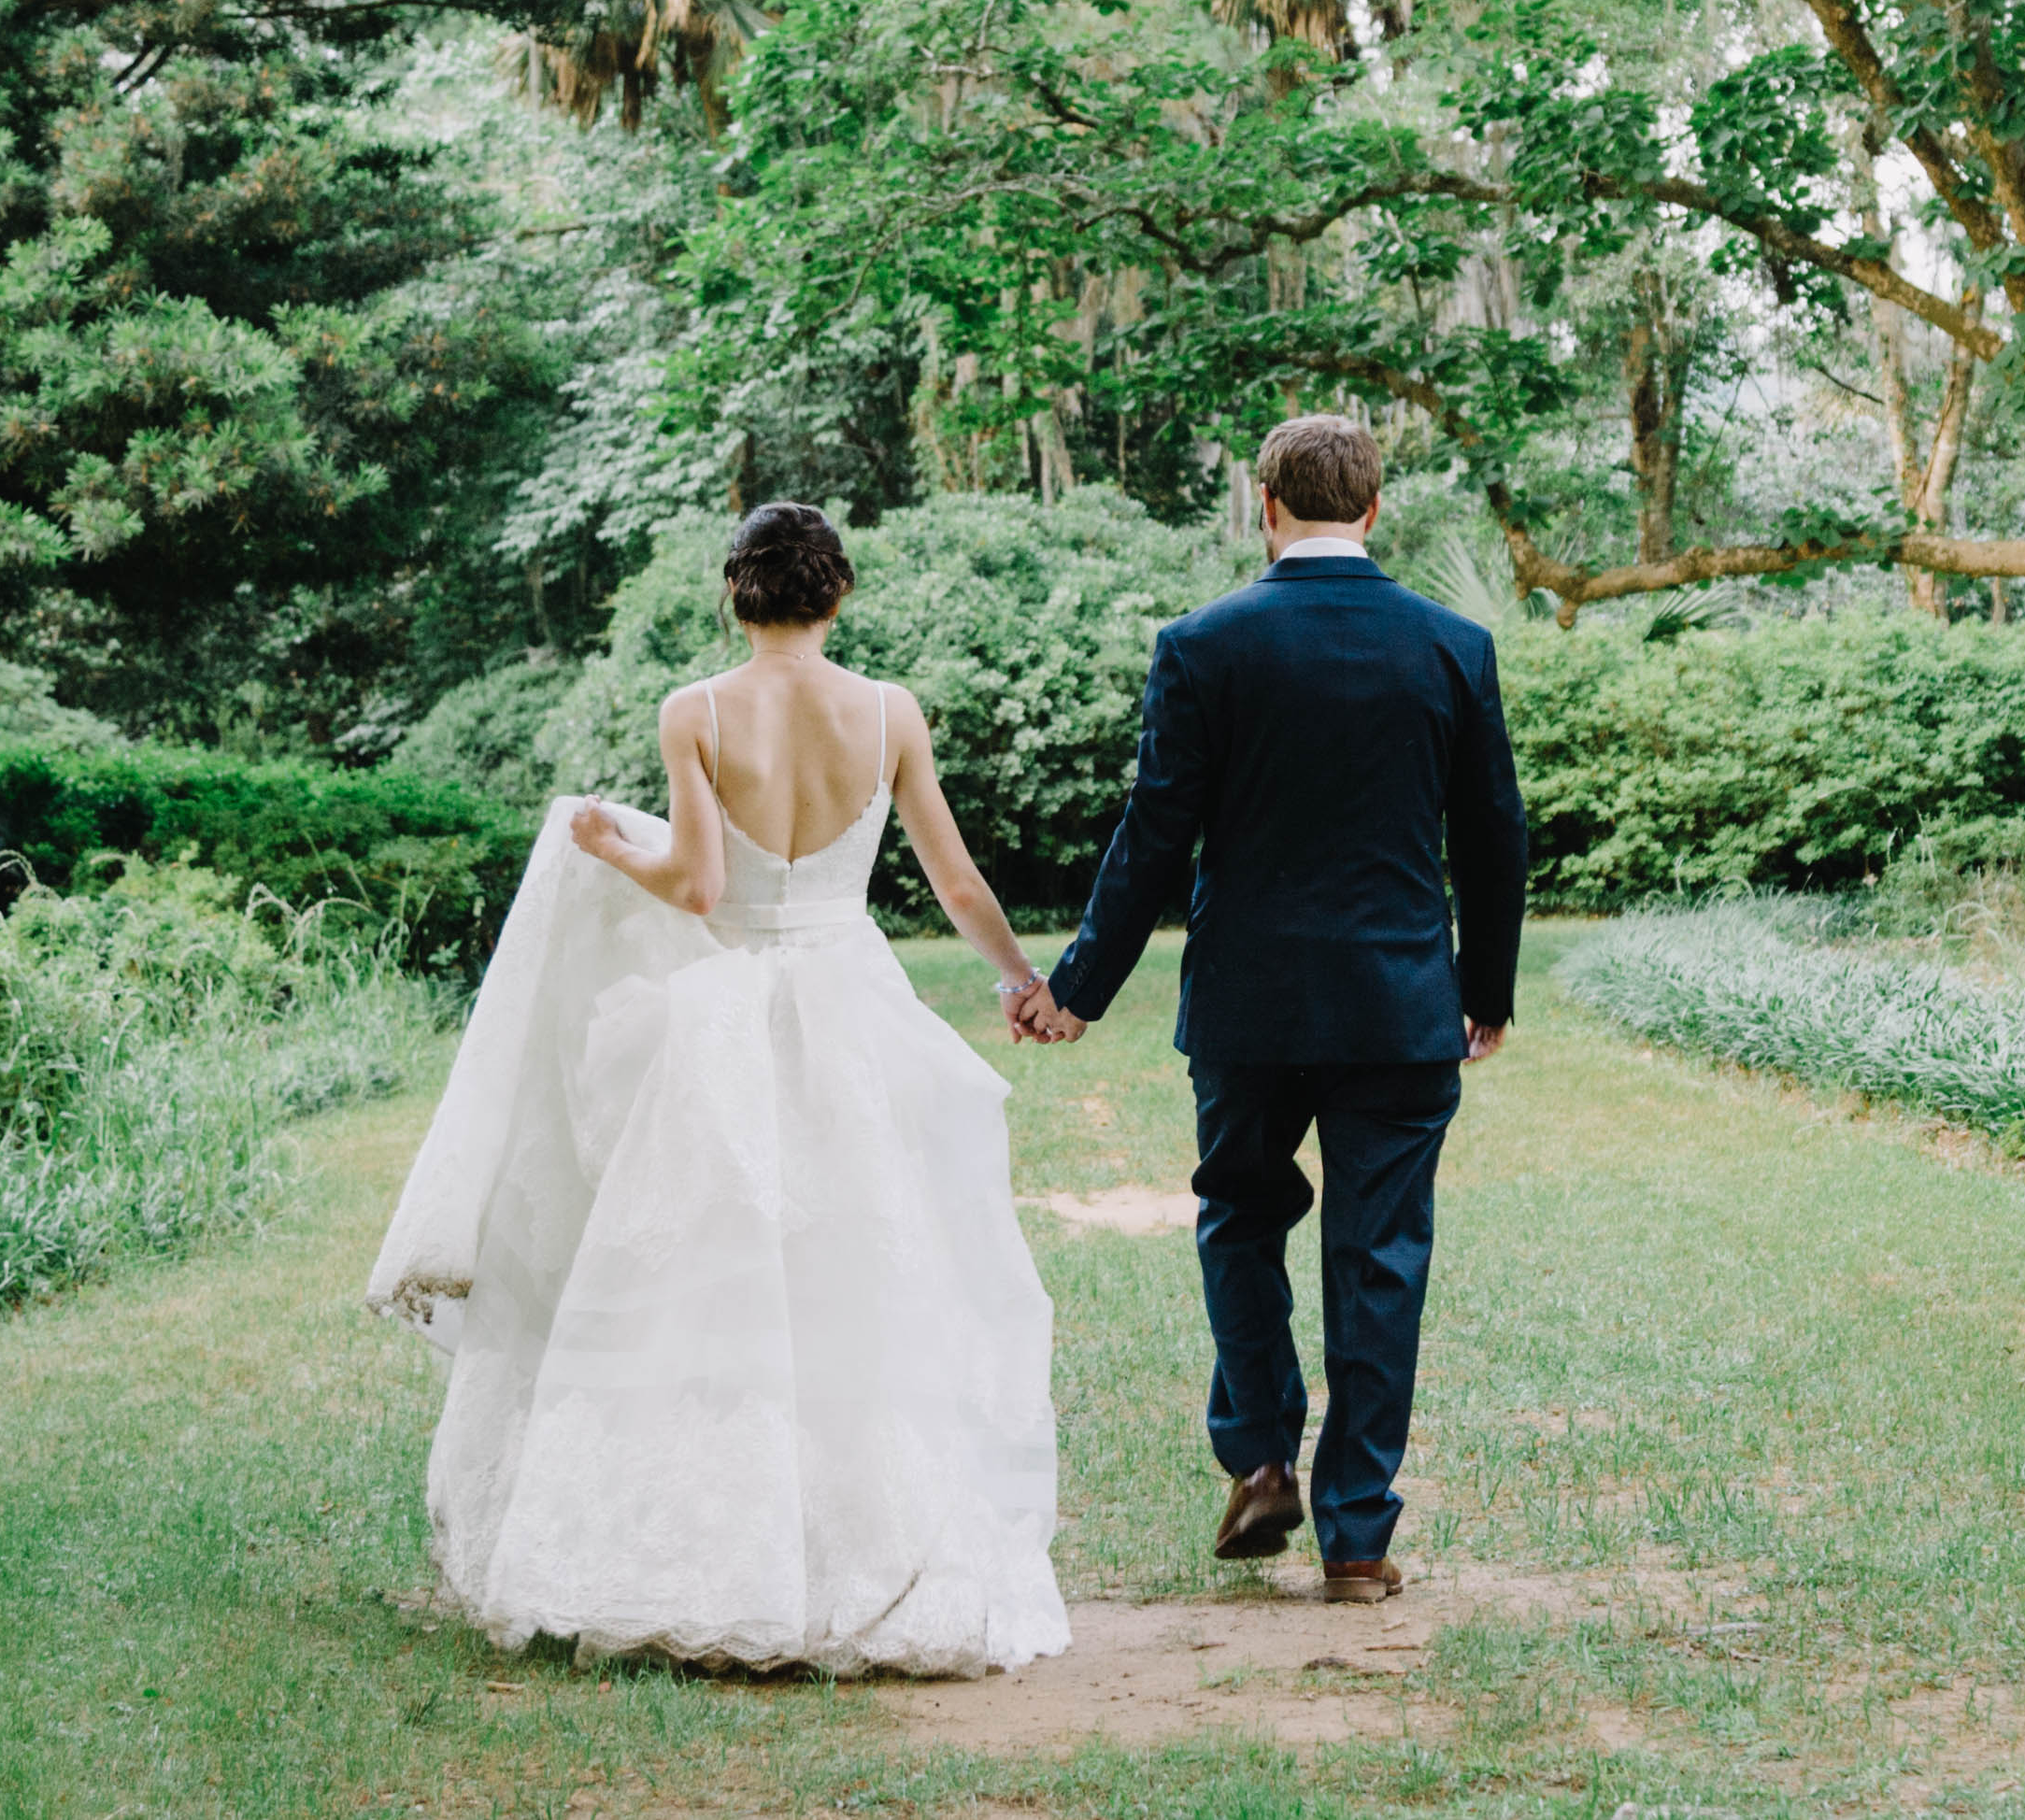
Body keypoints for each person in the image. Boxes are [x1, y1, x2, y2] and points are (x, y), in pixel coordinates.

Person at [367, 501, 1071, 1676]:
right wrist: (1018, 976)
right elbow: (950, 874)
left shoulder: (691, 710)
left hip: (723, 1022)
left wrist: (604, 841)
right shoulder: (889, 712)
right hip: (852, 1008)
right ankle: (871, 1547)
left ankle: (697, 1558)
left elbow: (693, 886)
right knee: (862, 1273)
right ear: (836, 594)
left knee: (703, 1277)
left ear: (732, 597)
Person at [1027, 411, 1526, 1604]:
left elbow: (1153, 833)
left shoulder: (1203, 644)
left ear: (1265, 506)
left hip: (1248, 1007)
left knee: (1239, 1221)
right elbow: (1494, 830)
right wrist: (1486, 989)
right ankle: (1356, 1538)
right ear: (1371, 507)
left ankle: (1258, 1457)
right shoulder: (1450, 644)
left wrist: (1077, 990)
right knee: (1379, 1258)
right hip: (1400, 1005)